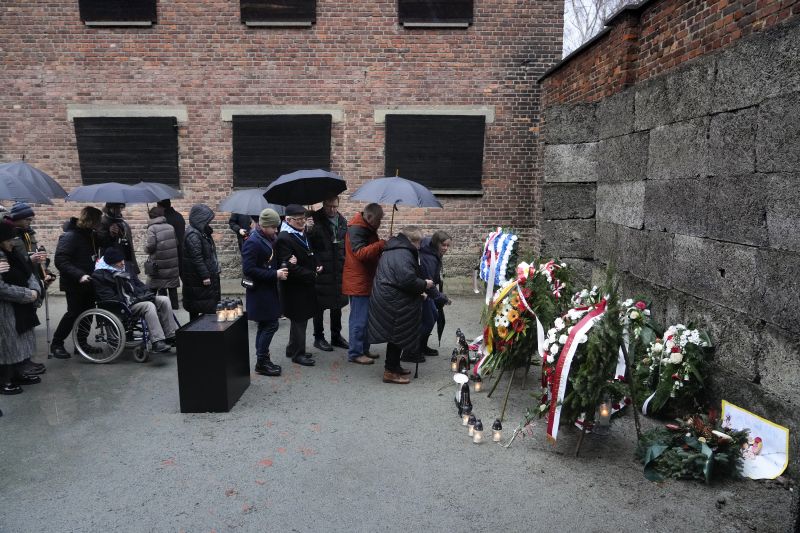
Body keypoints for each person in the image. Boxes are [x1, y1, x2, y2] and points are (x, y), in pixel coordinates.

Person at [368, 226, 432, 384]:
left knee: (396, 334)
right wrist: (425, 284)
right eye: (418, 243)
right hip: (393, 299)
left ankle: (394, 366)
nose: (419, 246)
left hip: (390, 297)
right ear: (411, 241)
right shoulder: (403, 252)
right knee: (397, 334)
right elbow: (407, 280)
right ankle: (390, 371)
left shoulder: (396, 248)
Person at [92, 247, 175, 353]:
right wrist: (136, 299)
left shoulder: (126, 267)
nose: (123, 263)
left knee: (164, 300)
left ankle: (170, 336)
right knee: (148, 306)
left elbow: (138, 283)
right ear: (111, 263)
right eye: (119, 261)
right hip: (122, 306)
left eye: (122, 260)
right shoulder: (99, 275)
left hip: (135, 299)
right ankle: (157, 341)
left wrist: (147, 293)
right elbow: (109, 298)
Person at [5, 202, 55, 376]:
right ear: (17, 219)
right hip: (18, 285)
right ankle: (19, 364)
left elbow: (28, 256)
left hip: (30, 278)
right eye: (27, 219)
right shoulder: (10, 236)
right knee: (18, 327)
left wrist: (43, 265)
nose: (30, 222)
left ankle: (26, 359)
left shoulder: (28, 234)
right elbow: (15, 260)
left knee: (28, 324)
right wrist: (29, 259)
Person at [51, 206, 103, 359]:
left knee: (88, 313)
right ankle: (57, 344)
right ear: (91, 220)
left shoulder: (91, 235)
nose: (100, 223)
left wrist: (112, 235)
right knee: (73, 313)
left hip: (89, 281)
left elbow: (103, 242)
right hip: (75, 283)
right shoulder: (70, 236)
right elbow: (60, 260)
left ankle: (81, 344)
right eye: (98, 220)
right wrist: (79, 275)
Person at [242, 208, 288, 377]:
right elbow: (248, 269)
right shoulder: (253, 242)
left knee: (265, 325)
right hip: (260, 291)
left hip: (267, 289)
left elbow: (273, 258)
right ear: (264, 226)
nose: (276, 230)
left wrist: (284, 263)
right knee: (271, 325)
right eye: (274, 227)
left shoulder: (269, 238)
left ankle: (262, 359)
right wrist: (274, 274)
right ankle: (261, 362)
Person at [0, 221, 43, 394]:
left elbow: (28, 272)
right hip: (6, 309)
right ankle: (4, 379)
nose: (13, 242)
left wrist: (35, 289)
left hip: (21, 308)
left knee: (21, 341)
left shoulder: (14, 253)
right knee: (7, 344)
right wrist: (27, 294)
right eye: (9, 239)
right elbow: (1, 288)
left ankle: (18, 372)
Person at [275, 204, 320, 367]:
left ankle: (292, 348)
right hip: (294, 286)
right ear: (288, 220)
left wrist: (316, 264)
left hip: (304, 283)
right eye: (298, 219)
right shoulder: (284, 238)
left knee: (300, 318)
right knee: (299, 318)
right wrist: (311, 274)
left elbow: (310, 252)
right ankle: (298, 354)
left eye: (303, 219)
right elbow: (289, 266)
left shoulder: (302, 232)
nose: (302, 222)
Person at [342, 203, 385, 365]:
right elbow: (360, 253)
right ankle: (355, 353)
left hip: (365, 279)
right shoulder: (357, 229)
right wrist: (380, 245)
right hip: (358, 281)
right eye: (378, 220)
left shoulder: (365, 228)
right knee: (359, 319)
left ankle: (363, 349)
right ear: (369, 217)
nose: (380, 223)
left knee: (366, 318)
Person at [307, 196, 349, 352]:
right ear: (323, 205)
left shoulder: (343, 221)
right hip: (322, 268)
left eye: (335, 206)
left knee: (337, 304)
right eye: (329, 206)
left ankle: (336, 336)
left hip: (338, 268)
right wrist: (308, 230)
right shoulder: (314, 220)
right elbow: (308, 245)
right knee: (319, 305)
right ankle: (318, 337)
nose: (332, 209)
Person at [404, 231, 453, 363]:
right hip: (421, 291)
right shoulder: (429, 258)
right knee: (427, 321)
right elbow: (429, 284)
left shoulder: (434, 252)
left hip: (426, 290)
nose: (446, 248)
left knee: (433, 316)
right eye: (443, 245)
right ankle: (409, 351)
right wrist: (443, 298)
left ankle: (421, 346)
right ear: (436, 243)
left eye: (448, 246)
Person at [182, 204, 221, 321]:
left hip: (203, 276)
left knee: (205, 304)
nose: (209, 223)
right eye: (207, 220)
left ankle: (205, 330)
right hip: (198, 279)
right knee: (200, 305)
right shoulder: (193, 235)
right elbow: (197, 258)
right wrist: (205, 275)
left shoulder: (202, 232)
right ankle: (199, 332)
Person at [144, 206, 181, 309]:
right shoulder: (170, 227)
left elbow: (150, 246)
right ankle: (174, 307)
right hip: (172, 263)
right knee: (172, 287)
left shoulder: (152, 228)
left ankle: (159, 307)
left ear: (151, 216)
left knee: (153, 286)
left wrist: (145, 247)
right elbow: (176, 242)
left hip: (159, 265)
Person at [96, 203, 139, 275]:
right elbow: (101, 243)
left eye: (120, 208)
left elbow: (128, 242)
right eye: (116, 208)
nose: (119, 210)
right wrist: (110, 234)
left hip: (126, 257)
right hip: (112, 261)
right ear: (109, 208)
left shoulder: (122, 222)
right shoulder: (103, 222)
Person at [156, 199, 186, 272]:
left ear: (161, 206)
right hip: (182, 249)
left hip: (169, 252)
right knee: (183, 273)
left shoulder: (164, 219)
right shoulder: (179, 215)